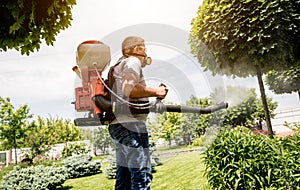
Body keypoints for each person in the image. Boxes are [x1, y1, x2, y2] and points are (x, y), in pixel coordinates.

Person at [108, 36, 168, 190]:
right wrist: (156, 91)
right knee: (142, 176)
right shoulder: (132, 61)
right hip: (132, 127)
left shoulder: (118, 66)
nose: (146, 52)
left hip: (118, 127)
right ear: (137, 49)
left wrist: (154, 102)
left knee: (124, 180)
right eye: (144, 48)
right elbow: (129, 89)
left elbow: (127, 99)